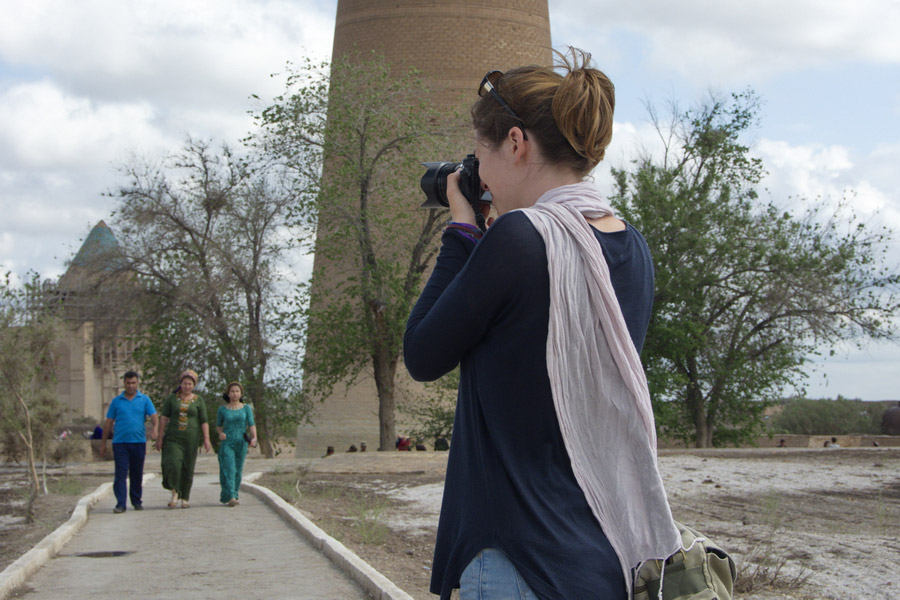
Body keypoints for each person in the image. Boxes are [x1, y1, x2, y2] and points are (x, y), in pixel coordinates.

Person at [404, 48, 680, 599]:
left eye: (480, 156)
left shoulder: (520, 240)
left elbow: (422, 353)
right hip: (601, 555)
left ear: (515, 142)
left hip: (516, 560)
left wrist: (462, 233)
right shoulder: (630, 247)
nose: (477, 174)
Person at [100, 371, 158, 513]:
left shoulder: (144, 399)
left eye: (133, 383)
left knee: (136, 473)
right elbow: (108, 422)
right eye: (128, 383)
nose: (131, 385)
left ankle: (136, 501)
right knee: (120, 473)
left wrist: (155, 428)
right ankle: (120, 503)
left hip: (138, 442)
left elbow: (154, 416)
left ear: (137, 383)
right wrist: (103, 443)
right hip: (120, 442)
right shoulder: (116, 401)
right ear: (124, 384)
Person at [156, 369, 211, 508]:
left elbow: (204, 420)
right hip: (173, 438)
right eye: (185, 384)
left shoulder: (198, 400)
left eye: (190, 384)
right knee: (173, 463)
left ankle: (185, 497)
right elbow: (163, 418)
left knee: (188, 466)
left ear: (194, 385)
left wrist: (206, 439)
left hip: (191, 440)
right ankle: (175, 492)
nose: (187, 387)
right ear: (180, 384)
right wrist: (159, 437)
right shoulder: (172, 398)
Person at [216, 382, 257, 507]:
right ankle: (231, 496)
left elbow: (251, 424)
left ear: (241, 393)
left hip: (241, 441)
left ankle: (234, 493)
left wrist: (254, 437)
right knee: (229, 467)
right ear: (228, 393)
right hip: (228, 441)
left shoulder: (246, 408)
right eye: (232, 391)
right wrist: (220, 433)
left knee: (238, 470)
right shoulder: (223, 409)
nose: (235, 394)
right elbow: (218, 425)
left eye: (237, 391)